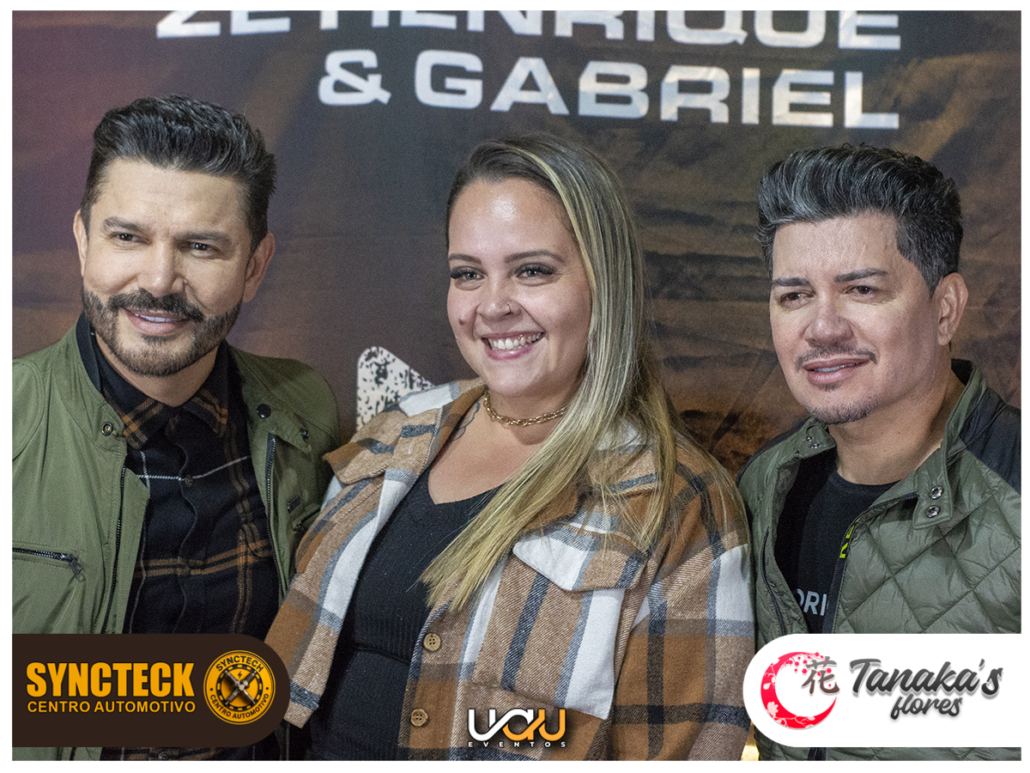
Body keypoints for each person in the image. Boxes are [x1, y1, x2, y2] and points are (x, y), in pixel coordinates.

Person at [266, 135, 754, 760]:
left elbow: (684, 754)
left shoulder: (675, 500)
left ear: (604, 283)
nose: (492, 306)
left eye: (532, 271)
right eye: (468, 274)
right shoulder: (398, 429)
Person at [12, 95, 341, 761]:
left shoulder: (306, 410)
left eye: (200, 246)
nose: (160, 280)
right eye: (127, 238)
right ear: (82, 242)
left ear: (254, 267)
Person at [738, 144, 1020, 761]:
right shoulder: (761, 487)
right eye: (794, 296)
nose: (822, 328)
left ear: (945, 310)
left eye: (861, 289)